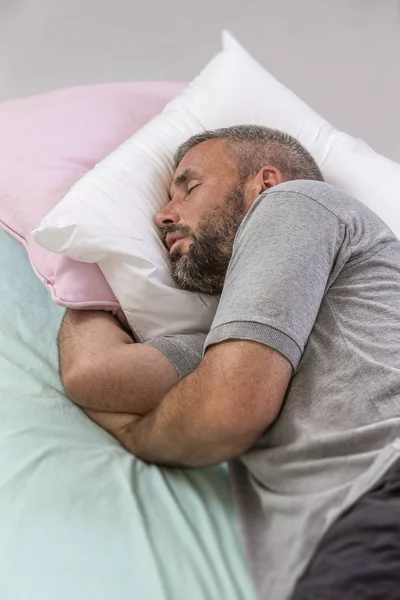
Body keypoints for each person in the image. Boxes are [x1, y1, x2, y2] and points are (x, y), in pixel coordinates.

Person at [59, 125, 400, 600]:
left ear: (264, 182)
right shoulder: (233, 346)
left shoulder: (297, 202)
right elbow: (94, 376)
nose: (162, 215)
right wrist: (83, 273)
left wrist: (137, 436)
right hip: (343, 538)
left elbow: (225, 412)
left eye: (190, 187)